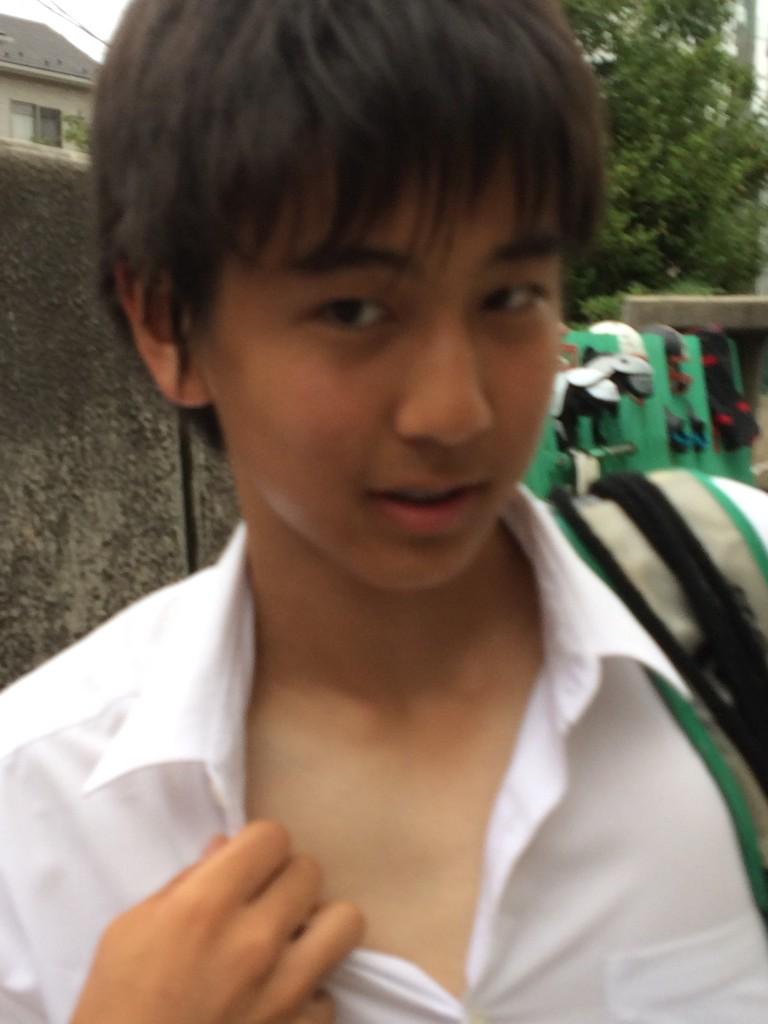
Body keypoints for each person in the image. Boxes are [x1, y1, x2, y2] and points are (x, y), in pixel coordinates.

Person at [1, 1, 767, 1021]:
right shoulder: (33, 817)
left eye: (509, 296)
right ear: (167, 322)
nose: (453, 411)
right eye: (354, 310)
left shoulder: (736, 602)